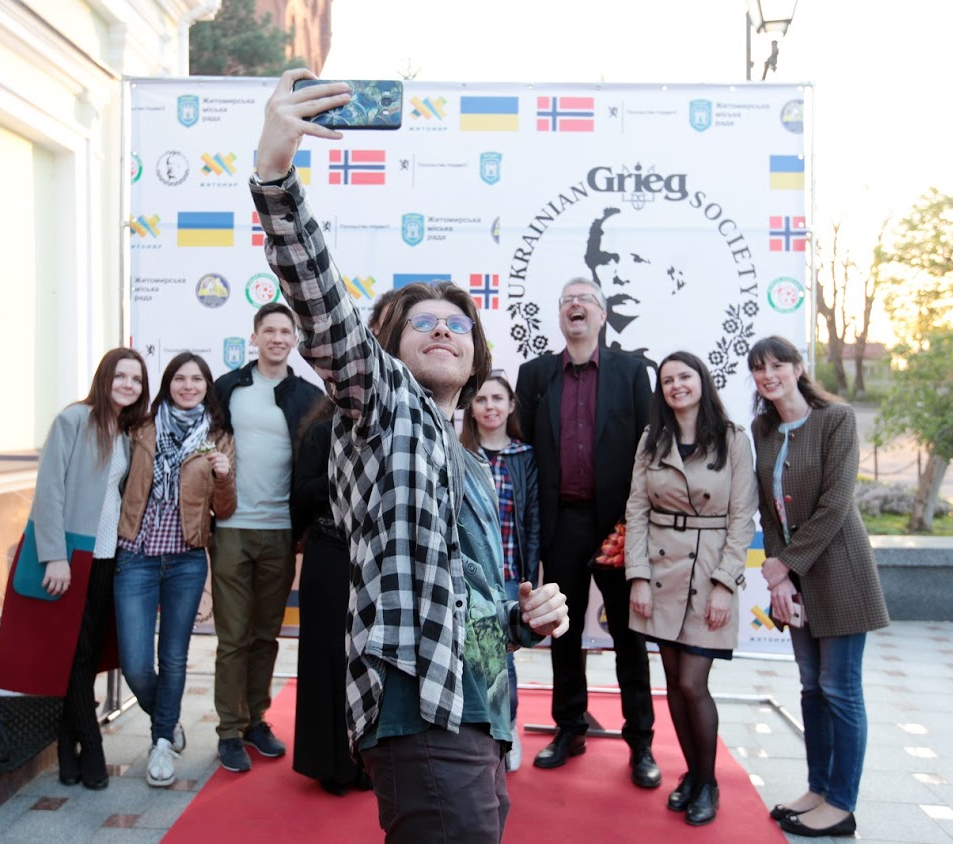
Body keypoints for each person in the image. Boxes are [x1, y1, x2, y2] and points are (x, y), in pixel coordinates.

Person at [251, 70, 570, 842]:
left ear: (477, 355)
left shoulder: (473, 463)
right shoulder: (387, 407)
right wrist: (274, 175)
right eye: (423, 322)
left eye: (457, 324)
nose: (443, 329)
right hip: (419, 712)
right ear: (387, 351)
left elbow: (473, 606)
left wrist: (525, 621)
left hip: (481, 715)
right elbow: (323, 308)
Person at [515, 278, 659, 788]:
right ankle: (569, 727)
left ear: (602, 315)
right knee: (563, 632)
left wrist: (638, 529)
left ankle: (641, 742)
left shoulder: (632, 372)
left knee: (629, 637)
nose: (575, 305)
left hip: (618, 526)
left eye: (586, 300)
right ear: (560, 316)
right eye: (567, 300)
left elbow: (649, 449)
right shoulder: (535, 375)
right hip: (562, 524)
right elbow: (522, 446)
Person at [746, 336, 889, 839]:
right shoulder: (763, 428)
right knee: (811, 686)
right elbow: (768, 508)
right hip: (795, 576)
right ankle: (818, 789)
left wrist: (783, 566)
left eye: (777, 365)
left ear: (799, 367)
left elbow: (835, 504)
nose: (769, 375)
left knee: (839, 689)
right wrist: (780, 572)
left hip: (841, 572)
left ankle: (841, 805)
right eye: (759, 368)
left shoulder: (836, 419)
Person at [0, 347, 149, 790]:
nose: (128, 385)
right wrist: (55, 555)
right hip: (72, 554)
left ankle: (66, 747)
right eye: (121, 376)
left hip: (107, 556)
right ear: (105, 377)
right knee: (75, 653)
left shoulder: (127, 432)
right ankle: (91, 745)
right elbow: (49, 490)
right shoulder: (74, 420)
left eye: (136, 379)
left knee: (87, 652)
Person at [623, 351, 757, 825]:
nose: (677, 385)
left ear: (702, 381)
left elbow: (742, 517)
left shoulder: (732, 439)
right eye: (668, 380)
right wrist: (638, 576)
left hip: (708, 571)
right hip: (661, 573)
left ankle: (708, 782)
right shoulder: (652, 440)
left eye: (685, 376)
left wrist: (725, 584)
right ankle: (692, 774)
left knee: (691, 683)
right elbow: (636, 510)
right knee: (673, 686)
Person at [115, 352, 237, 788]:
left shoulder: (218, 437)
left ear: (207, 387)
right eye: (180, 379)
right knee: (134, 663)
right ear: (168, 384)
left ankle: (162, 742)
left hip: (186, 559)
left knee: (173, 657)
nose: (188, 386)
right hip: (135, 555)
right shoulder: (140, 428)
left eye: (197, 379)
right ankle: (167, 718)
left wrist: (223, 476)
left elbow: (225, 509)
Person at [290, 297, 397, 795]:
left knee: (372, 660)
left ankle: (369, 761)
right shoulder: (319, 430)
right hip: (331, 556)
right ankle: (330, 764)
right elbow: (300, 494)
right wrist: (341, 480)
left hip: (379, 558)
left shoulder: (394, 425)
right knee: (327, 659)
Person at [211, 302, 322, 773]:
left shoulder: (309, 396)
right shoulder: (226, 388)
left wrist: (304, 528)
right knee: (232, 637)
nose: (277, 338)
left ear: (295, 339)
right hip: (231, 529)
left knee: (265, 635)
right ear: (254, 337)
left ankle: (255, 720)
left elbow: (315, 466)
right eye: (269, 331)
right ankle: (228, 730)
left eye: (285, 331)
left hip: (280, 531)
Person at [459, 374, 541, 773]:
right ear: (471, 408)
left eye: (497, 399)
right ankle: (475, 731)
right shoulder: (457, 453)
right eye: (481, 399)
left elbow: (532, 520)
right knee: (471, 656)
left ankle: (506, 728)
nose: (490, 406)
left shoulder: (525, 456)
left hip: (508, 574)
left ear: (510, 406)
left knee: (501, 658)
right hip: (467, 576)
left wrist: (530, 575)